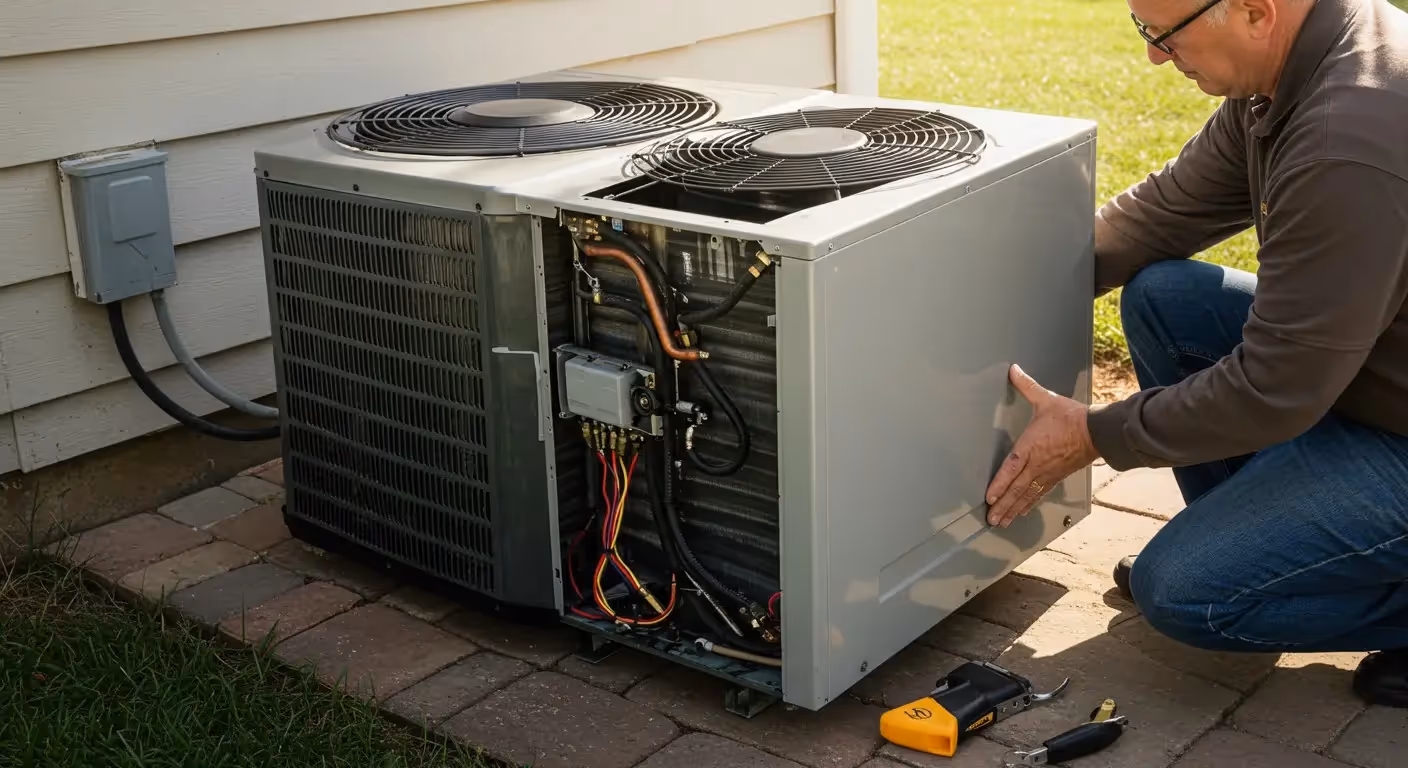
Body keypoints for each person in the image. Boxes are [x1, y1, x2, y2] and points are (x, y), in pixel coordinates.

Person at [982, 0, 1408, 709]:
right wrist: (965, 299)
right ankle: (1257, 550)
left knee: (1182, 594)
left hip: (1393, 429)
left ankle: (1273, 577)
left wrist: (1092, 435)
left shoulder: (1348, 135)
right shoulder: (1294, 66)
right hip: (1371, 375)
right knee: (1165, 298)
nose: (1152, 54)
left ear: (1253, 12)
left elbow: (1276, 389)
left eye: (1163, 34)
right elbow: (1158, 217)